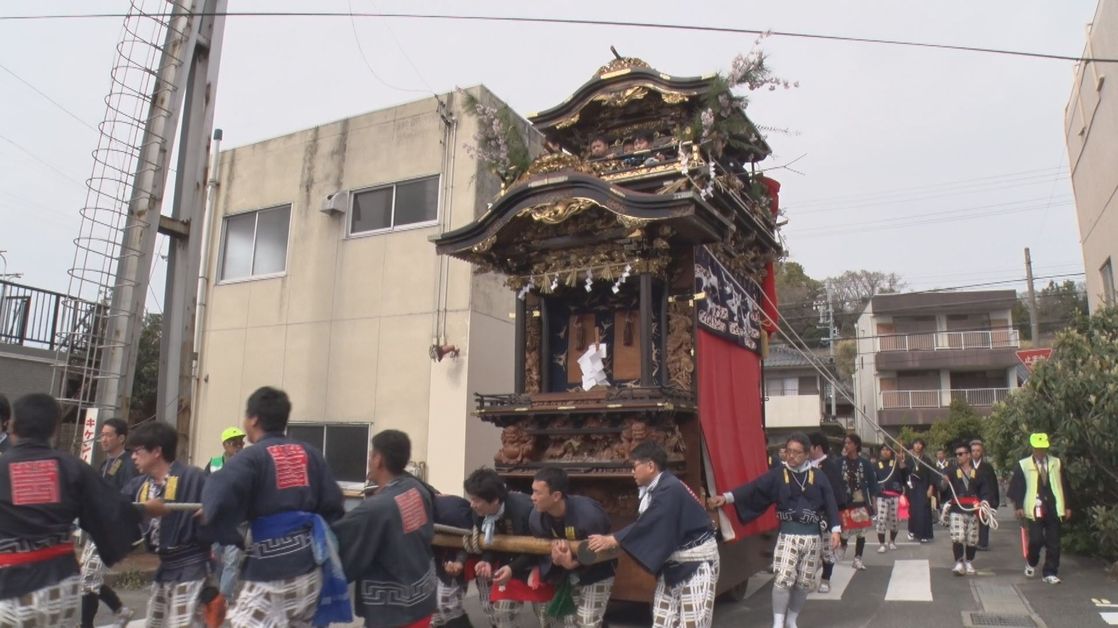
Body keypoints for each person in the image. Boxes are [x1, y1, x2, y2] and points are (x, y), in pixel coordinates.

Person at [200, 386, 348, 627]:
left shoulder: (252, 457)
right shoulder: (309, 453)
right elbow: (334, 503)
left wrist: (230, 535)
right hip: (310, 568)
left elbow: (215, 494)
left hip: (270, 572)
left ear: (254, 420)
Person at [0, 394, 147, 625]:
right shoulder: (71, 467)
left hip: (13, 581)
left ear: (12, 426)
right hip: (60, 582)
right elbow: (112, 508)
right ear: (54, 428)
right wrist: (147, 510)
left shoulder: (3, 466)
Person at [708, 433, 841, 628]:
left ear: (806, 454)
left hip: (812, 536)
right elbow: (754, 487)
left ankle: (791, 620)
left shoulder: (819, 476)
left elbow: (830, 502)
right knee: (783, 579)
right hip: (788, 535)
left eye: (796, 452)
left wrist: (836, 529)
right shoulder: (778, 474)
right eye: (789, 451)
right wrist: (727, 497)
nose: (791, 456)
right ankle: (778, 623)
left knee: (804, 583)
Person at [586, 442, 718, 628]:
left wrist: (614, 539)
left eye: (635, 466)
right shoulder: (659, 488)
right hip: (671, 565)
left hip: (696, 563)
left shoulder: (670, 488)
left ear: (650, 466)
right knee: (662, 623)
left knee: (692, 624)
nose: (632, 472)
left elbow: (652, 521)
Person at [334, 430, 436, 626]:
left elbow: (339, 547)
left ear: (378, 459)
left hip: (396, 613)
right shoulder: (416, 488)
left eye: (371, 455)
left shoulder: (374, 509)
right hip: (423, 598)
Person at [126, 422, 218, 626]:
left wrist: (213, 509)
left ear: (157, 451)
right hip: (165, 567)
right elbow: (117, 506)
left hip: (192, 565)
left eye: (137, 451)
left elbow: (225, 501)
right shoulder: (140, 485)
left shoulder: (193, 477)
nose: (133, 457)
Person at [529, 467, 616, 628]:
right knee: (570, 621)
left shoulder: (589, 515)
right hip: (565, 573)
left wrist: (573, 563)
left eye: (537, 493)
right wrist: (555, 559)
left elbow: (602, 551)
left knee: (587, 622)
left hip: (597, 571)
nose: (532, 497)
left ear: (556, 496)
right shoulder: (536, 517)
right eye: (532, 491)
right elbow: (543, 549)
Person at [463, 467, 545, 627]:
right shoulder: (479, 513)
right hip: (508, 565)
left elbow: (539, 548)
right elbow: (490, 542)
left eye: (476, 500)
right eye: (471, 499)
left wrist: (512, 568)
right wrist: (486, 560)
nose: (472, 505)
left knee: (547, 615)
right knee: (502, 614)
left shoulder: (528, 510)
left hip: (537, 563)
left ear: (495, 500)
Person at [80, 418, 138, 628]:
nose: (103, 439)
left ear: (121, 438)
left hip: (111, 532)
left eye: (108, 435)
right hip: (98, 529)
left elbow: (128, 498)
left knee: (89, 579)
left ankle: (87, 624)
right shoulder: (105, 464)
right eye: (102, 435)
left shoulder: (129, 464)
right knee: (88, 578)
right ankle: (121, 611)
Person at [1008, 432, 1071, 584]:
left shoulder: (1056, 463)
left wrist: (1067, 506)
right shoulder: (1024, 464)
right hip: (1034, 508)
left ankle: (1050, 572)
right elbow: (1018, 487)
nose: (1041, 452)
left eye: (1043, 448)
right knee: (1036, 540)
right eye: (1038, 448)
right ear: (1033, 448)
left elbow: (1065, 485)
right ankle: (1031, 561)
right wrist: (1019, 506)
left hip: (1054, 506)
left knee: (1054, 542)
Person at [205, 427, 247, 604]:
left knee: (232, 560)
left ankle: (224, 599)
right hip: (216, 520)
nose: (239, 446)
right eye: (234, 443)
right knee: (216, 559)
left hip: (238, 521)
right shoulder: (214, 463)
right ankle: (223, 591)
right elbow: (205, 488)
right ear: (225, 445)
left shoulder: (247, 464)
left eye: (241, 443)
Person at [941, 442, 993, 576]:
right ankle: (959, 562)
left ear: (968, 455)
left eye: (960, 454)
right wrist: (944, 481)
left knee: (972, 539)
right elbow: (942, 487)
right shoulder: (951, 471)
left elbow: (985, 490)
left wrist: (985, 503)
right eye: (956, 454)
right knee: (957, 536)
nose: (958, 456)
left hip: (973, 509)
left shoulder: (979, 473)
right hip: (957, 508)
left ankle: (969, 561)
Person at [807, 431, 845, 594]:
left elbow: (837, 494)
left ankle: (825, 579)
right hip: (808, 514)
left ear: (817, 448)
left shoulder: (830, 466)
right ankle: (809, 579)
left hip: (825, 514)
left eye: (808, 446)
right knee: (809, 549)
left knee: (827, 549)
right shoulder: (805, 465)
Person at [432, 493, 477, 628]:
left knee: (448, 604)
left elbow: (470, 538)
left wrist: (460, 561)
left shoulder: (452, 512)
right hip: (435, 557)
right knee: (434, 607)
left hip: (468, 554)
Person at [836, 434, 877, 570]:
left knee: (861, 533)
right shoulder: (839, 462)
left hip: (861, 502)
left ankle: (858, 558)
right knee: (844, 531)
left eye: (849, 443)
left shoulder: (865, 463)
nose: (846, 445)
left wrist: (873, 502)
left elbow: (872, 484)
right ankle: (843, 546)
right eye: (845, 443)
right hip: (844, 502)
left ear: (856, 445)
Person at [873, 445, 906, 553]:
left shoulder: (896, 463)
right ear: (880, 451)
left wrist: (900, 461)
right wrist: (874, 499)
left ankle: (892, 541)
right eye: (883, 449)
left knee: (895, 521)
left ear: (891, 452)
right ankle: (882, 544)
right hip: (882, 496)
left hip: (895, 495)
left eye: (888, 449)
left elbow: (905, 475)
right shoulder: (875, 465)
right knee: (881, 520)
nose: (885, 451)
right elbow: (873, 482)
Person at [970, 439, 999, 551]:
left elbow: (993, 484)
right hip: (972, 496)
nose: (975, 453)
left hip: (985, 496)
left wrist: (994, 500)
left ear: (982, 452)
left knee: (983, 518)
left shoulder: (987, 467)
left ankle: (983, 543)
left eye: (978, 450)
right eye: (973, 450)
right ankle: (972, 541)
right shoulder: (967, 466)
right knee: (972, 520)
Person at [906, 439, 935, 543]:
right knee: (912, 510)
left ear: (923, 446)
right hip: (911, 487)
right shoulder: (909, 459)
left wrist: (931, 488)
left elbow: (932, 474)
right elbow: (904, 472)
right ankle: (911, 530)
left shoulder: (927, 460)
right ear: (913, 445)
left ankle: (924, 534)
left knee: (924, 510)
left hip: (924, 487)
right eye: (916, 443)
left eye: (920, 444)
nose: (918, 446)